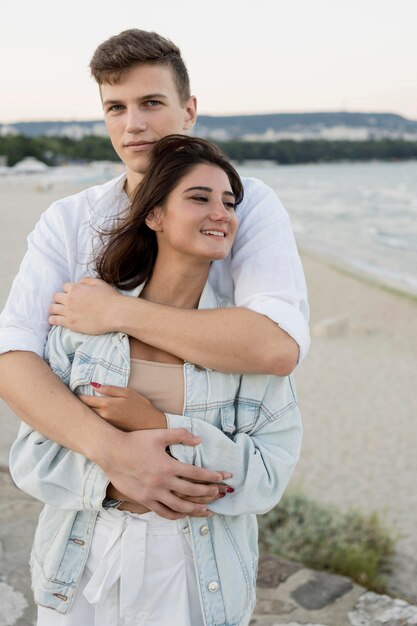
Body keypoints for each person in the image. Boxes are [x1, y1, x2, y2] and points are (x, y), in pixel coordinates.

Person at [0, 29, 309, 518]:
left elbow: (274, 347)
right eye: (115, 108)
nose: (133, 125)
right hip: (84, 525)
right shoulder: (69, 220)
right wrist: (113, 452)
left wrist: (116, 311)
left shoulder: (243, 205)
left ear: (188, 110)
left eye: (150, 103)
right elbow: (12, 355)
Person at [10, 134, 303, 626]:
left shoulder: (243, 345)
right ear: (155, 215)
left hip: (195, 572)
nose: (221, 213)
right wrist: (116, 464)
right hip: (82, 560)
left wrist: (158, 424)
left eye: (229, 202)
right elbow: (30, 458)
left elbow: (269, 477)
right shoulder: (86, 331)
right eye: (199, 198)